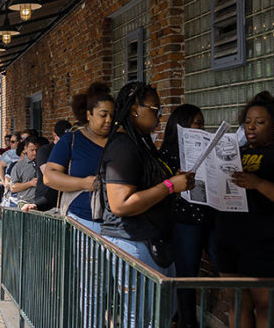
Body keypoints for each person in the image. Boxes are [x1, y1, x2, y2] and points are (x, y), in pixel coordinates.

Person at [214, 92, 274, 328]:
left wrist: (258, 183)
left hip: (269, 238)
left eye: (260, 122)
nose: (251, 127)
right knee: (237, 302)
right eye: (247, 122)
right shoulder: (237, 153)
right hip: (230, 235)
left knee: (267, 305)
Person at [100, 81, 195, 272]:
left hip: (151, 241)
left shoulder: (140, 142)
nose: (159, 116)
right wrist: (169, 186)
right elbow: (120, 204)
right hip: (133, 243)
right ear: (134, 110)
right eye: (155, 110)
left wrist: (173, 182)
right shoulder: (123, 147)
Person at [160, 104, 211, 328]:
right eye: (197, 123)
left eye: (202, 123)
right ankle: (187, 322)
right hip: (183, 220)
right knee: (186, 274)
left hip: (208, 217)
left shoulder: (205, 149)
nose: (202, 127)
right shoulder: (167, 154)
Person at [45, 83, 114, 233]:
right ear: (89, 114)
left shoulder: (120, 140)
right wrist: (83, 183)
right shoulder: (72, 140)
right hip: (81, 221)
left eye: (112, 115)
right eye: (103, 115)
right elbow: (49, 176)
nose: (109, 120)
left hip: (118, 225)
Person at [11, 136, 48, 207]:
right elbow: (13, 188)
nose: (35, 153)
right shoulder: (18, 166)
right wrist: (30, 183)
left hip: (42, 204)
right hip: (25, 204)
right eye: (32, 150)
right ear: (25, 149)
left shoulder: (45, 164)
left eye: (37, 150)